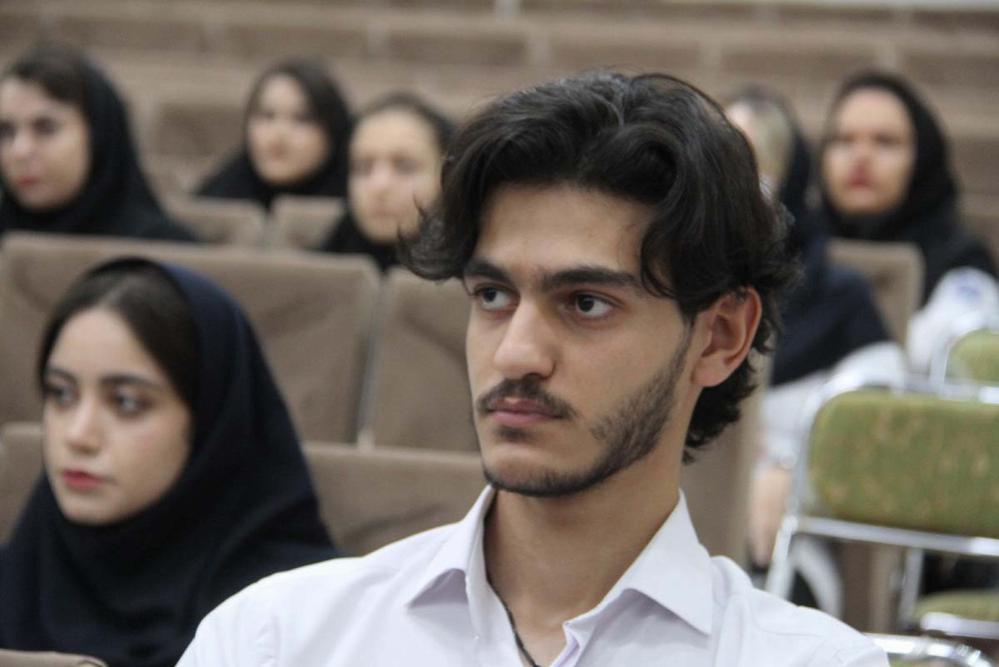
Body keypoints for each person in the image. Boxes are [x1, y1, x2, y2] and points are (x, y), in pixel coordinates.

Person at [180, 72, 887, 665]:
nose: (515, 353)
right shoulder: (277, 639)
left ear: (720, 337)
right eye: (492, 295)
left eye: (585, 303)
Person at [0, 258, 337, 667]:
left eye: (126, 402)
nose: (78, 435)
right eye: (61, 394)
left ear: (211, 421)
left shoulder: (302, 616)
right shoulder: (15, 580)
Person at [725, 87, 904, 569]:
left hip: (791, 540)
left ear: (787, 178)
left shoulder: (839, 297)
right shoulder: (669, 292)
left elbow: (877, 428)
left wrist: (792, 471)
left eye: (749, 164)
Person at [818, 71, 997, 371]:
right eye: (844, 140)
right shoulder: (794, 254)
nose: (861, 156)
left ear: (922, 157)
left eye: (885, 142)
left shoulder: (960, 262)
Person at [0, 45, 196, 241]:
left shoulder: (167, 250)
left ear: (98, 135)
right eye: (6, 132)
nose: (20, 151)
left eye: (46, 128)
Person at [196, 58, 351, 210]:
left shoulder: (355, 208)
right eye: (267, 116)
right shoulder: (217, 198)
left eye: (301, 119)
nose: (279, 134)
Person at [321, 92, 452, 270]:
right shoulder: (318, 269)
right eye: (363, 167)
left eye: (405, 166)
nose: (379, 186)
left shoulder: (476, 279)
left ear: (448, 176)